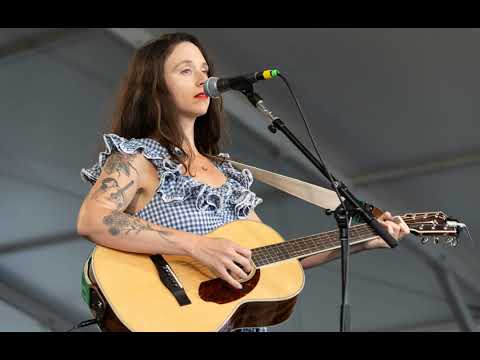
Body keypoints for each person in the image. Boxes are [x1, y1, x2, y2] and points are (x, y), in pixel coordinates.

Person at [76, 32, 410, 332]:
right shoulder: (138, 159)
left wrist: (360, 241)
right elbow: (94, 219)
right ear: (154, 86)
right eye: (185, 70)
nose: (202, 79)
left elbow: (272, 260)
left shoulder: (229, 176)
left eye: (205, 70)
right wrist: (196, 246)